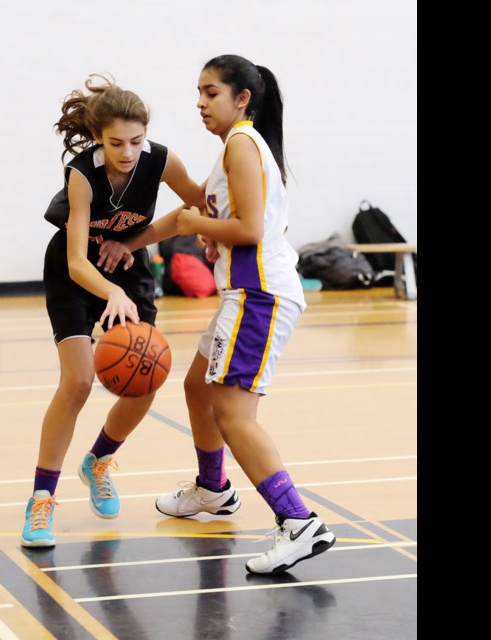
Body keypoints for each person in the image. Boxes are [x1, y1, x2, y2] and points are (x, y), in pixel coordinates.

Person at [97, 55, 336, 574]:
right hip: (244, 293)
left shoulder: (243, 144)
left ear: (241, 97)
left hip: (259, 296)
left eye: (210, 93)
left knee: (233, 413)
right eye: (198, 93)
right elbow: (203, 216)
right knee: (197, 387)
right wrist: (130, 243)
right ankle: (212, 490)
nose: (200, 103)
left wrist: (197, 223)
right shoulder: (237, 149)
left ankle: (299, 522)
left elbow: (249, 230)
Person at [21, 74, 206, 548]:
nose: (127, 152)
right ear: (99, 139)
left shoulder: (161, 161)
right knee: (78, 382)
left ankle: (99, 460)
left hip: (129, 267)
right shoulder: (82, 174)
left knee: (148, 373)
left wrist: (206, 226)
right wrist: (111, 294)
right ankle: (41, 499)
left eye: (136, 141)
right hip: (75, 272)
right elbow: (79, 261)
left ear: (147, 135)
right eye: (116, 143)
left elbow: (198, 202)